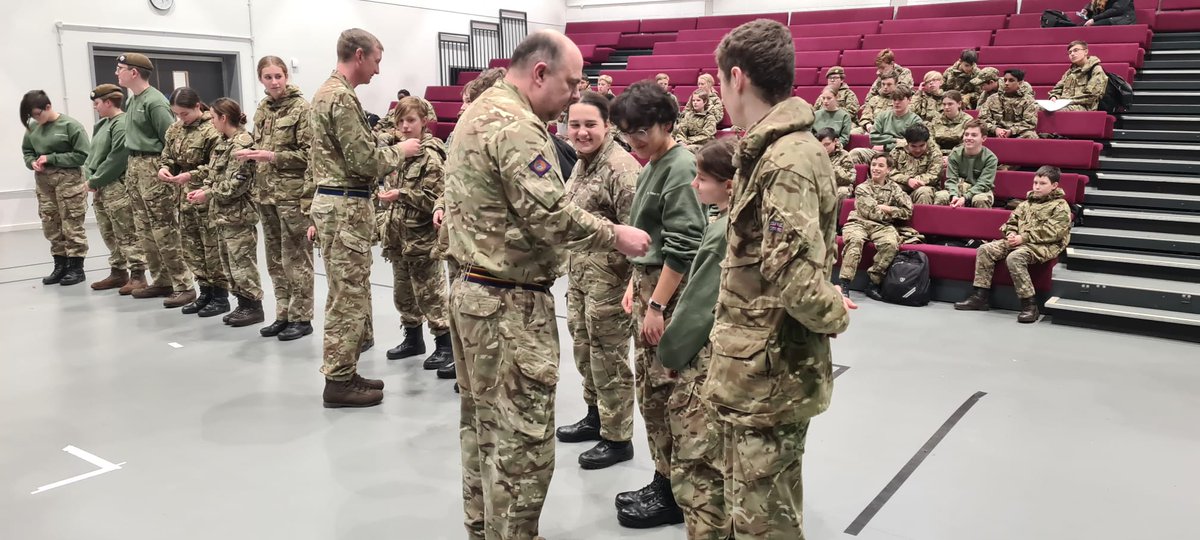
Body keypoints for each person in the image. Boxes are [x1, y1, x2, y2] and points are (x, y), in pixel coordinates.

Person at [443, 30, 651, 539]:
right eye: (570, 83)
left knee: (482, 430)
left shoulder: (477, 111)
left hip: (473, 292)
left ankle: (483, 527)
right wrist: (616, 235)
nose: (574, 96)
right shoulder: (518, 126)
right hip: (508, 303)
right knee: (522, 445)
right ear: (540, 73)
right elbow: (552, 216)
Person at [702, 19, 855, 539]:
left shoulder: (787, 159)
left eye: (720, 80)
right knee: (745, 508)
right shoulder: (767, 150)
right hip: (751, 370)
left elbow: (794, 281)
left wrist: (832, 312)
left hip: (770, 375)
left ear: (737, 78)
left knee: (765, 523)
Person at [610, 80, 706, 530]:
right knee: (651, 394)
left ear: (666, 123)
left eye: (641, 130)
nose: (633, 140)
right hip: (650, 285)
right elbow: (652, 236)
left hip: (669, 293)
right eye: (627, 132)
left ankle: (675, 493)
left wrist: (658, 305)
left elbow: (684, 246)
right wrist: (637, 285)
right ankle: (663, 478)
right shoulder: (654, 162)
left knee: (667, 393)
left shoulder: (680, 165)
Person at [309, 28, 421, 408]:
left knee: (347, 292)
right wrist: (402, 151)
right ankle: (338, 381)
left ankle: (345, 370)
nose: (377, 70)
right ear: (359, 55)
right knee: (348, 297)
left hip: (337, 203)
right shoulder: (340, 97)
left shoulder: (330, 92)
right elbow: (364, 161)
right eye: (376, 60)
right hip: (344, 207)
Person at [554, 91, 640, 471]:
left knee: (609, 360)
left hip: (612, 284)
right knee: (586, 352)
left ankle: (618, 437)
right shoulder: (581, 164)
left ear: (607, 125)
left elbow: (638, 236)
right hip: (581, 278)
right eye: (575, 124)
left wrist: (635, 287)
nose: (581, 132)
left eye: (590, 124)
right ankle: (596, 416)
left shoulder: (620, 169)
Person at [657, 138, 735, 539]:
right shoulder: (736, 221)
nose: (695, 186)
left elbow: (698, 304)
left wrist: (670, 351)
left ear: (729, 184)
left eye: (703, 179)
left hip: (706, 361)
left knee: (697, 471)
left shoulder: (722, 230)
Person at [431, 66, 508, 385]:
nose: (461, 108)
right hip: (456, 232)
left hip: (482, 237)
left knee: (487, 307)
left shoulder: (500, 135)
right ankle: (463, 357)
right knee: (458, 299)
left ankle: (488, 366)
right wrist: (439, 205)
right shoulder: (459, 134)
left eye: (468, 102)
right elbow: (448, 179)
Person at [236, 55, 315, 341]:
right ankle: (283, 313)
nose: (274, 82)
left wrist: (272, 156)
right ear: (261, 79)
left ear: (286, 76)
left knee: (296, 258)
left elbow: (310, 156)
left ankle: (302, 316)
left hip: (292, 195)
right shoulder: (263, 109)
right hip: (266, 193)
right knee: (275, 260)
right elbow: (259, 143)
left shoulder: (301, 108)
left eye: (278, 76)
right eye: (268, 77)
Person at [377, 97, 453, 372]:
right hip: (398, 235)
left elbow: (437, 198)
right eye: (400, 121)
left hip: (421, 236)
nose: (405, 127)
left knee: (430, 293)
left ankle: (445, 345)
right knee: (404, 293)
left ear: (424, 122)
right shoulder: (398, 153)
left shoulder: (430, 155)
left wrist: (402, 194)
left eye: (411, 121)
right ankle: (413, 338)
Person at [116, 52, 193, 301]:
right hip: (135, 165)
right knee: (144, 229)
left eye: (120, 68)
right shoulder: (132, 100)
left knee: (164, 228)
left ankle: (183, 284)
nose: (117, 72)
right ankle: (162, 280)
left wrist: (166, 170)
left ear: (134, 72)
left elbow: (169, 139)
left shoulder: (155, 101)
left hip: (153, 166)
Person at [955, 165, 1071, 322]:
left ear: (1055, 185)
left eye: (1042, 183)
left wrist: (1023, 238)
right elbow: (1011, 222)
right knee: (985, 249)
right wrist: (1010, 233)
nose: (1037, 186)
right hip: (1020, 241)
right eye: (1035, 182)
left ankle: (1029, 305)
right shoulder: (1026, 204)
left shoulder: (1060, 206)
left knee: (1015, 257)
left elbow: (1053, 232)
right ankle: (980, 296)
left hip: (1045, 245)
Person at [185, 98, 264, 327]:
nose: (211, 123)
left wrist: (208, 194)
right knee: (229, 263)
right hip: (221, 214)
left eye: (213, 118)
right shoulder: (222, 142)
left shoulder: (242, 144)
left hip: (238, 214)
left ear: (223, 118)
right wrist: (203, 188)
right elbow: (213, 175)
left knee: (242, 262)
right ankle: (241, 304)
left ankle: (253, 306)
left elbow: (236, 185)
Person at [20, 90, 90, 286]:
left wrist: (52, 158)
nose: (35, 118)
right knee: (50, 223)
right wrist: (31, 161)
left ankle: (76, 268)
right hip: (44, 184)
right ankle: (60, 265)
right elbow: (27, 151)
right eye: (31, 116)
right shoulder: (33, 128)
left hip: (69, 183)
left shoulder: (70, 126)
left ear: (48, 107)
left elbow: (83, 155)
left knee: (72, 223)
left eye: (37, 114)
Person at [159, 87, 220, 313]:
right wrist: (165, 168)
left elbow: (217, 166)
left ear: (197, 106)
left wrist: (191, 175)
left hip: (206, 196)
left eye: (184, 113)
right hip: (182, 197)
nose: (180, 118)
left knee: (211, 248)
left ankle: (219, 296)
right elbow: (167, 156)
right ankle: (204, 292)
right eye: (176, 114)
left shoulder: (212, 129)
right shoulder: (175, 130)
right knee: (192, 248)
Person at [83, 84, 146, 292]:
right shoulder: (102, 125)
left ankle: (137, 274)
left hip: (117, 187)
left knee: (126, 231)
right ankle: (118, 272)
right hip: (101, 187)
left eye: (97, 103)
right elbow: (93, 156)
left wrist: (95, 180)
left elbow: (117, 158)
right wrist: (90, 177)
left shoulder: (121, 124)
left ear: (109, 102)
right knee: (108, 231)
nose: (95, 107)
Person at [837, 153, 913, 301]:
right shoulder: (862, 188)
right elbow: (871, 212)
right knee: (855, 241)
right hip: (858, 222)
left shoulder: (895, 189)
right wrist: (891, 211)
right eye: (873, 165)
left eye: (880, 165)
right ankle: (844, 284)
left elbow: (908, 211)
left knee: (890, 244)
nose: (876, 168)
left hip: (882, 226)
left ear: (889, 169)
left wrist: (889, 209)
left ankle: (873, 283)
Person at [936, 120, 998, 208]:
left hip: (980, 191)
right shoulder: (955, 154)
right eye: (966, 134)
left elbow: (983, 184)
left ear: (983, 138)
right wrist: (954, 196)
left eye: (974, 135)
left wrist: (965, 198)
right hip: (958, 188)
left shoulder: (990, 158)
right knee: (941, 196)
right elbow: (951, 180)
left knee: (980, 199)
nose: (968, 138)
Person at [890, 124, 943, 206]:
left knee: (924, 192)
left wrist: (915, 181)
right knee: (888, 188)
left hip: (925, 187)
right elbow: (889, 170)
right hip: (902, 186)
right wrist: (907, 180)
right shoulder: (898, 150)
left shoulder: (935, 152)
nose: (918, 150)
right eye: (913, 146)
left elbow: (934, 175)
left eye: (922, 146)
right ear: (907, 143)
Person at [1049, 41, 1108, 112]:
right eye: (1070, 52)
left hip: (1085, 107)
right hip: (1066, 104)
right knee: (1035, 108)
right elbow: (1058, 88)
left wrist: (1067, 101)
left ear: (1085, 52)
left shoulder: (1095, 69)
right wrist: (1054, 97)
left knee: (1056, 111)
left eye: (1076, 50)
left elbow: (1092, 96)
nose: (1072, 54)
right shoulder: (1070, 72)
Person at [980, 69, 1039, 139]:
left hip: (1017, 133)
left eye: (1011, 80)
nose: (1006, 83)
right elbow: (982, 119)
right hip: (995, 132)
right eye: (1005, 80)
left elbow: (1029, 123)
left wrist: (1011, 131)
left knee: (1031, 135)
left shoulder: (1028, 101)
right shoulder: (992, 98)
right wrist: (995, 129)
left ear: (1019, 83)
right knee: (978, 132)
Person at [817, 128, 856, 198]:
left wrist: (831, 168)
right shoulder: (815, 155)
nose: (824, 148)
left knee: (843, 191)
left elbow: (851, 178)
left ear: (835, 141)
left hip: (837, 187)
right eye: (821, 145)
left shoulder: (844, 155)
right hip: (819, 185)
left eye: (827, 144)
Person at [931, 90, 970, 154]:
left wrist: (951, 157)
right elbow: (931, 142)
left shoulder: (968, 120)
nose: (946, 107)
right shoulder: (936, 120)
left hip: (960, 155)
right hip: (938, 155)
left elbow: (967, 143)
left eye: (950, 104)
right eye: (944, 104)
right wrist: (939, 155)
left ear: (959, 104)